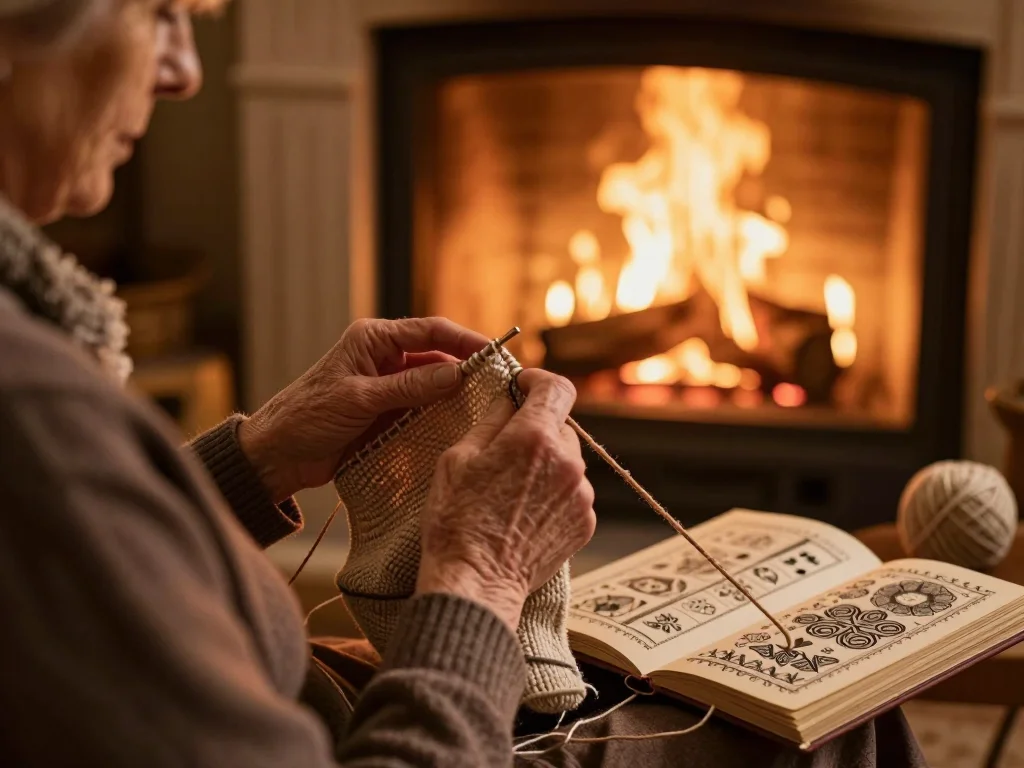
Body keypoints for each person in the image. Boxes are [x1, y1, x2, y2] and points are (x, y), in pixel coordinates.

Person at [0, 2, 927, 765]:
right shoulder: (31, 411)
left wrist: (256, 455)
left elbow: (79, 560)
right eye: (160, 12)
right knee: (829, 722)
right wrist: (480, 572)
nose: (185, 72)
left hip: (315, 699)